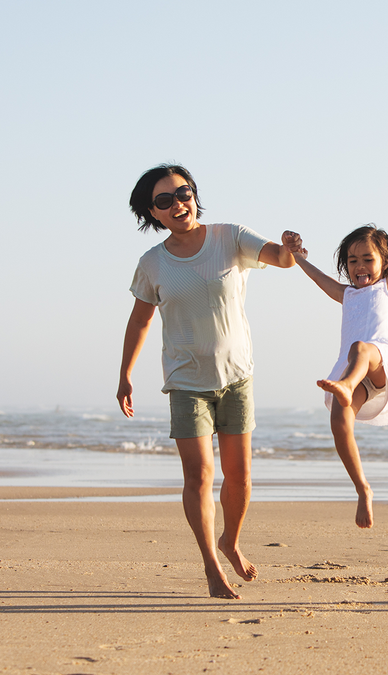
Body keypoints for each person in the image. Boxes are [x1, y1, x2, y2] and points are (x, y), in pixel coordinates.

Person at [117, 164, 301, 600]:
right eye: (165, 200)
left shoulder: (229, 237)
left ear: (194, 195)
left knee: (239, 478)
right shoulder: (152, 263)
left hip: (237, 376)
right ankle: (211, 566)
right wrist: (125, 373)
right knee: (200, 476)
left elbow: (280, 258)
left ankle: (230, 540)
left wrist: (290, 247)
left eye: (184, 193)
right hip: (185, 382)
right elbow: (140, 320)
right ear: (153, 212)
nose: (178, 203)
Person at [290, 209, 388, 528]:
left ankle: (344, 386)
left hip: (380, 365)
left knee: (361, 348)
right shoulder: (348, 295)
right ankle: (363, 489)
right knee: (339, 422)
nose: (359, 267)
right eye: (352, 261)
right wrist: (297, 256)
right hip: (359, 378)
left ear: (384, 263)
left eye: (367, 259)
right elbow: (317, 278)